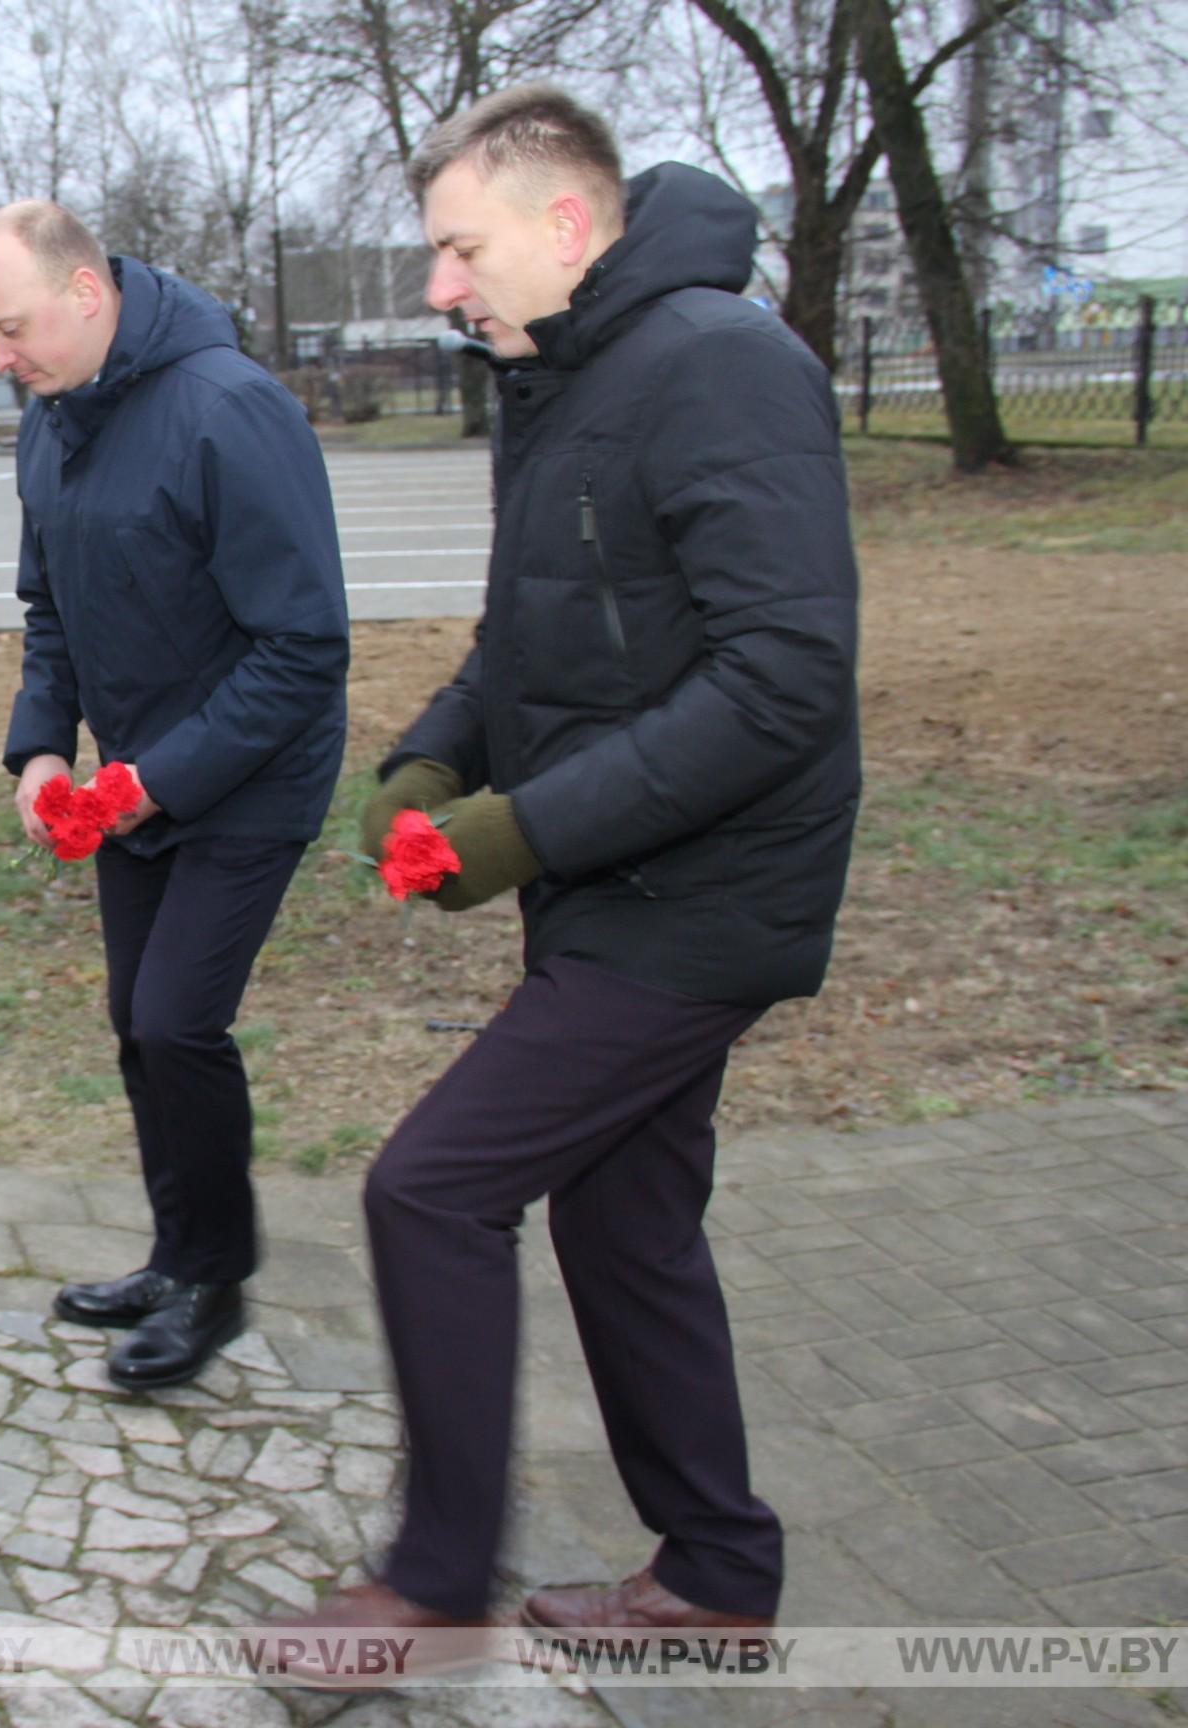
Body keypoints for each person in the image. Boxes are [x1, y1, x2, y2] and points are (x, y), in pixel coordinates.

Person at [264, 86, 861, 1680]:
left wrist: (524, 833)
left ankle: (436, 1586)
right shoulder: (565, 374)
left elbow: (782, 678)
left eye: (460, 247)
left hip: (704, 899)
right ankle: (721, 1566)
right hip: (617, 882)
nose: (442, 285)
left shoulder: (723, 366)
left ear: (567, 224)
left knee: (431, 1188)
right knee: (626, 1219)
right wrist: (432, 763)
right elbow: (528, 639)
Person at [0, 201, 349, 1391]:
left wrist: (153, 781)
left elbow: (303, 646)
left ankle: (217, 1285)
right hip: (132, 783)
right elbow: (52, 612)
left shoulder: (230, 409)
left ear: (87, 292)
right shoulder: (54, 422)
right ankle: (176, 1255)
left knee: (179, 1020)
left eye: (12, 328)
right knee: (139, 1027)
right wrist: (43, 752)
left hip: (246, 777)